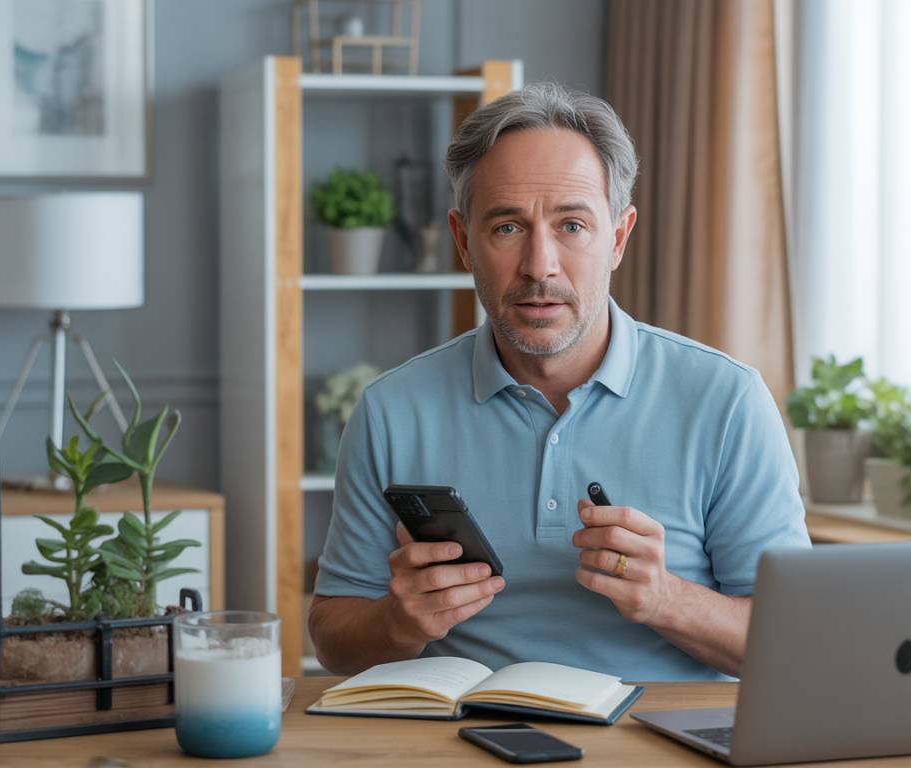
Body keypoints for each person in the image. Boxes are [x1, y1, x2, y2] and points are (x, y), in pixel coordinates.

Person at [308, 82, 810, 681]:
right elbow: (335, 640)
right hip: (456, 740)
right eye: (507, 228)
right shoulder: (390, 411)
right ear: (464, 242)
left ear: (618, 238)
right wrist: (398, 623)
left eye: (572, 226)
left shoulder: (728, 401)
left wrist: (664, 599)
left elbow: (793, 645)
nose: (540, 265)